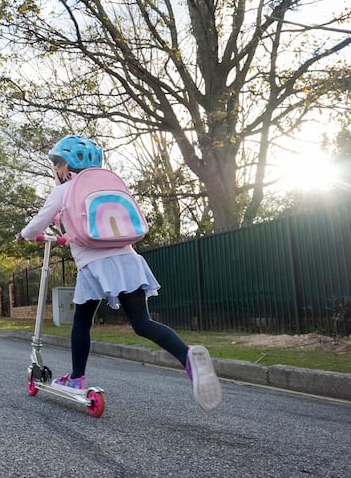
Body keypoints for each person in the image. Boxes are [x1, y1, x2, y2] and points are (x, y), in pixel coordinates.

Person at [19, 135, 222, 411]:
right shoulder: (106, 185)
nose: (56, 171)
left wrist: (25, 235)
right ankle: (187, 357)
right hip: (128, 260)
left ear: (66, 166)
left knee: (82, 319)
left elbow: (39, 222)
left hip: (94, 267)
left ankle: (77, 378)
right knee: (142, 323)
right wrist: (69, 238)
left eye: (57, 165)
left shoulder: (64, 190)